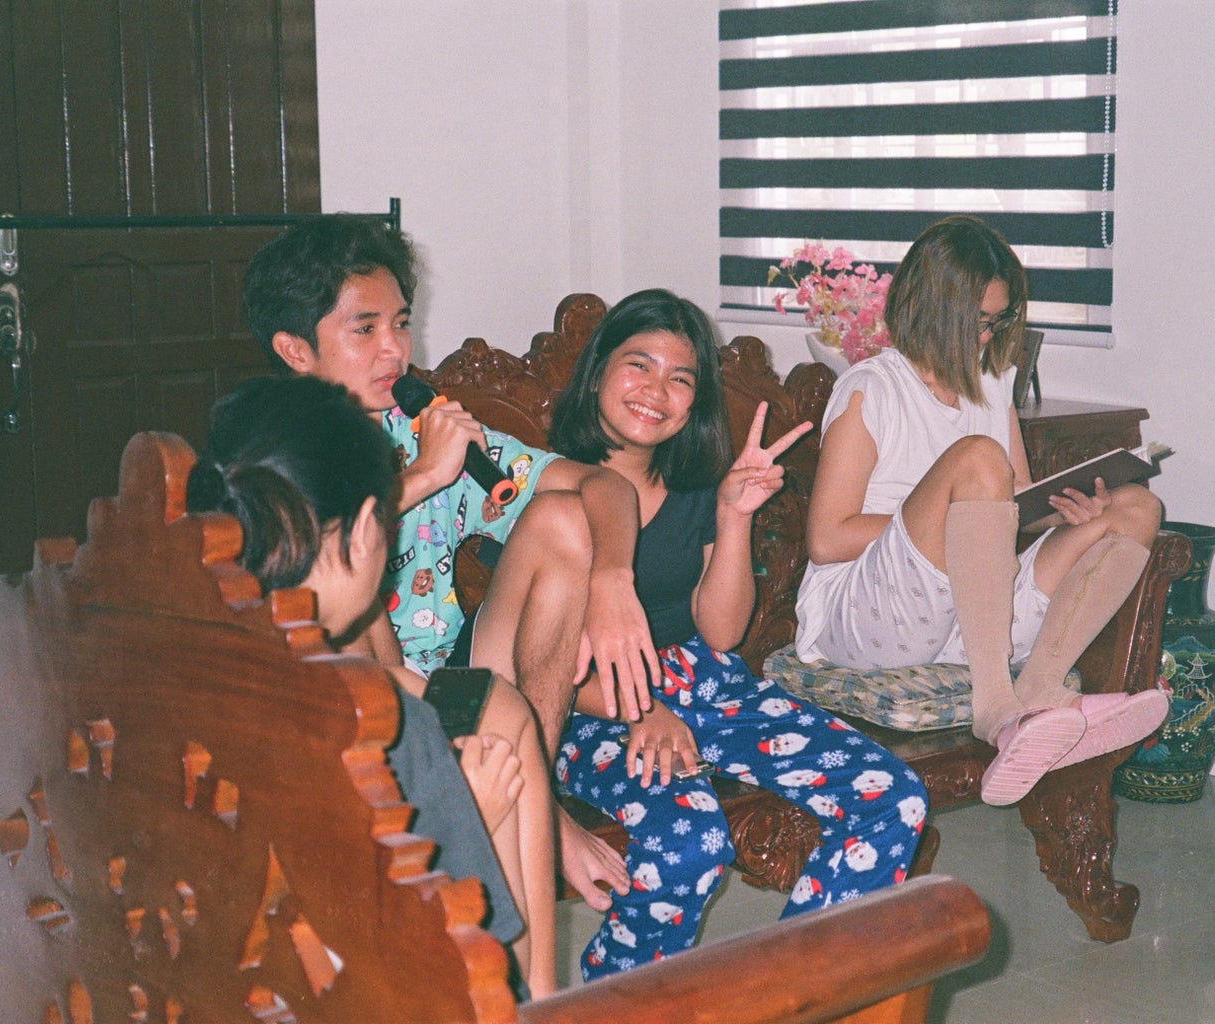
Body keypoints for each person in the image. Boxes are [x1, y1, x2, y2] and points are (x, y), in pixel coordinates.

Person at [241, 216, 640, 979]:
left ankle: (537, 978)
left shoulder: (423, 422)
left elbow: (604, 486)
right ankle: (534, 864)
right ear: (295, 351)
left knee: (560, 518)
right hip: (341, 696)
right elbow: (310, 588)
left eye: (399, 323)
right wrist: (422, 476)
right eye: (364, 329)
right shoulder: (272, 450)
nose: (395, 349)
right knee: (495, 715)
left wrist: (613, 581)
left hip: (437, 672)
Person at [546, 289, 928, 978]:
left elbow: (719, 633)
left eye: (679, 379)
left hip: (700, 682)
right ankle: (618, 1000)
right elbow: (527, 657)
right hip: (586, 701)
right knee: (689, 837)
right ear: (598, 369)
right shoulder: (541, 484)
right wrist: (640, 708)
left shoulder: (688, 487)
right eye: (639, 365)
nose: (655, 392)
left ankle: (783, 986)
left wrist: (732, 515)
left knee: (889, 795)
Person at [184, 375, 555, 995]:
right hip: (354, 984)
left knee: (491, 701)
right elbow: (432, 935)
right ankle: (542, 1003)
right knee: (494, 765)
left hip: (204, 949)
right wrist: (472, 812)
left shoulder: (202, 643)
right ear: (361, 529)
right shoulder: (390, 735)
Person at [795, 215, 1169, 807]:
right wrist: (951, 520)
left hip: (975, 612)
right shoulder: (872, 388)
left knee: (1136, 508)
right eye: (976, 322)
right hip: (869, 615)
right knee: (976, 458)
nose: (986, 338)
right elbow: (826, 538)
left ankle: (1043, 688)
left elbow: (1011, 506)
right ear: (930, 306)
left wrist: (1067, 506)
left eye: (997, 322)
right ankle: (996, 708)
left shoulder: (993, 384)